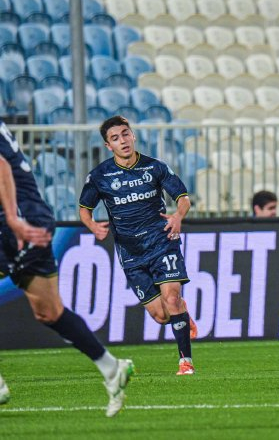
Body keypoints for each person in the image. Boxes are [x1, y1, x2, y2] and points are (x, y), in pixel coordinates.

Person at [0, 121, 133, 416]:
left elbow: (1, 167)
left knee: (49, 311)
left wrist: (11, 218)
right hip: (26, 217)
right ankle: (112, 369)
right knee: (48, 312)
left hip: (16, 221)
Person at [79, 116, 197, 376]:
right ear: (108, 145)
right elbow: (84, 209)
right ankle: (182, 313)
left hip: (162, 241)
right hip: (131, 252)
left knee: (171, 298)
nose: (122, 141)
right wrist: (92, 226)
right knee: (161, 316)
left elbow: (183, 197)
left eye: (125, 134)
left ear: (133, 136)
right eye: (115, 138)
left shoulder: (155, 167)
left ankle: (186, 363)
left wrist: (178, 216)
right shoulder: (99, 176)